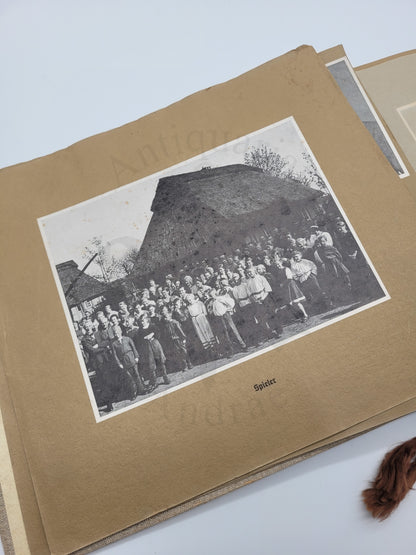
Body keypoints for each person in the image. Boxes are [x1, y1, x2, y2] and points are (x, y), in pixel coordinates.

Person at [111, 325, 148, 397]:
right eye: (115, 333)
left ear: (120, 331)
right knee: (130, 378)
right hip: (124, 362)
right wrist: (119, 364)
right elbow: (115, 355)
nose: (117, 334)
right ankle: (134, 392)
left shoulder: (127, 339)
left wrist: (136, 357)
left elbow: (134, 348)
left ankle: (142, 389)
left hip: (132, 358)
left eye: (118, 332)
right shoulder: (114, 344)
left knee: (137, 374)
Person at [159, 307, 192, 372]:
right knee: (178, 353)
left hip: (178, 339)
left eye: (166, 317)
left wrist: (183, 338)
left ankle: (189, 363)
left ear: (170, 316)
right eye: (164, 318)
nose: (165, 319)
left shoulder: (175, 322)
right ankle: (184, 365)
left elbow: (180, 331)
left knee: (184, 351)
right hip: (172, 340)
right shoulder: (166, 324)